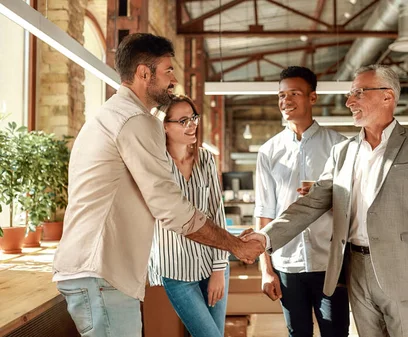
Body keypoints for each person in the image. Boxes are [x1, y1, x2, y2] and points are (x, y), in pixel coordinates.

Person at [52, 33, 263, 337]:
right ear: (143, 73)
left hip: (95, 271)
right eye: (167, 71)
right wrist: (236, 246)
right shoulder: (135, 121)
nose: (174, 80)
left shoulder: (109, 116)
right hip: (101, 273)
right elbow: (170, 207)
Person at [244, 64, 408, 336]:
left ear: (387, 97)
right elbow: (311, 204)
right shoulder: (343, 151)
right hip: (355, 270)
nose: (348, 101)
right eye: (349, 94)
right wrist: (265, 238)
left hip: (406, 276)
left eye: (358, 93)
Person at [255, 66, 349, 337]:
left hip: (330, 264)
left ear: (313, 98)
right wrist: (266, 270)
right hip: (286, 264)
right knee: (297, 333)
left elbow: (355, 207)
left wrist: (325, 197)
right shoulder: (268, 151)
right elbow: (264, 213)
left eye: (294, 93)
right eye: (281, 95)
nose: (286, 101)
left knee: (336, 333)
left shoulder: (339, 146)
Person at [148, 95, 229, 336]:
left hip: (212, 263)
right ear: (164, 125)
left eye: (193, 117)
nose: (192, 124)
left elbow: (217, 212)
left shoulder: (205, 159)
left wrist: (219, 269)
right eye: (183, 120)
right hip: (176, 270)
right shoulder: (155, 164)